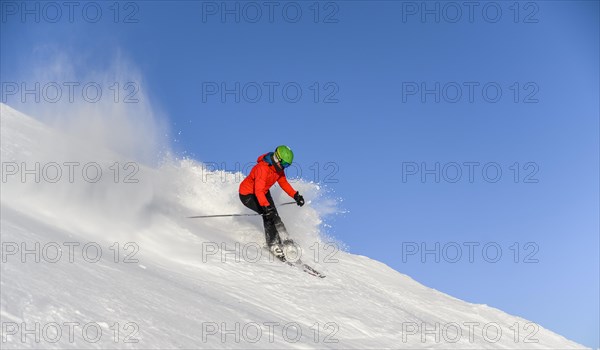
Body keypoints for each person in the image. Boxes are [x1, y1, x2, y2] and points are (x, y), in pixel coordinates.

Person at [239, 145, 305, 258]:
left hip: (263, 192)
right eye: (284, 164)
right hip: (248, 195)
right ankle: (273, 244)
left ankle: (286, 239)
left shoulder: (279, 169)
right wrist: (265, 206)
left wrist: (295, 195)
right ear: (276, 158)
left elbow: (284, 183)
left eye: (287, 165)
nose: (284, 167)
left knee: (275, 215)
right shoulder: (262, 169)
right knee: (268, 215)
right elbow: (258, 190)